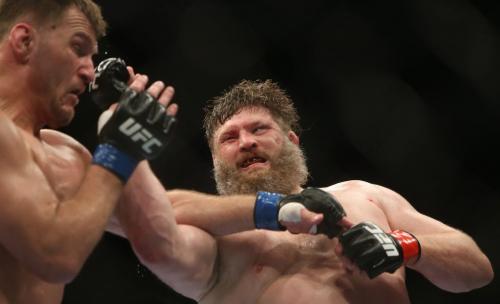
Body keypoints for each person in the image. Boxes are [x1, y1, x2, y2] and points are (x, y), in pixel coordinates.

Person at [114, 80, 493, 303]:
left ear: (292, 141)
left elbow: (477, 268)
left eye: (259, 129)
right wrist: (277, 209)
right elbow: (152, 216)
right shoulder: (222, 238)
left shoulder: (362, 195)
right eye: (229, 138)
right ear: (216, 162)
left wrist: (405, 245)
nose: (246, 142)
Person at [0, 1, 176, 303]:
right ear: (25, 41)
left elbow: (168, 213)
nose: (89, 72)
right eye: (78, 48)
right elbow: (55, 255)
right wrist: (119, 149)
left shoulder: (65, 153)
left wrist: (271, 208)